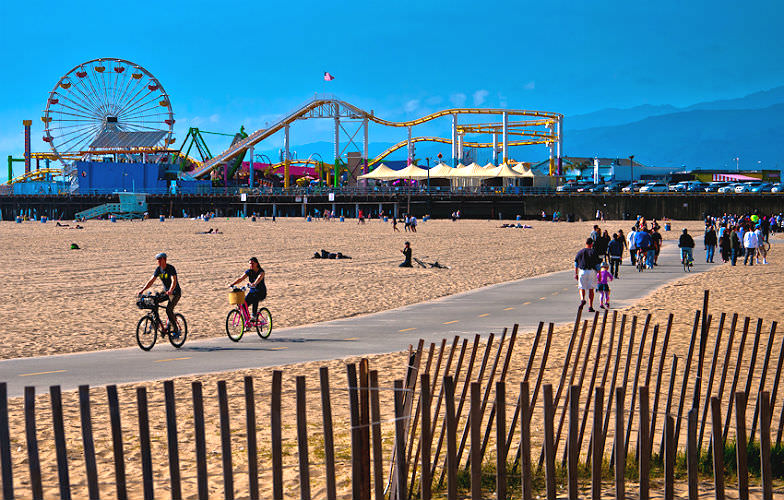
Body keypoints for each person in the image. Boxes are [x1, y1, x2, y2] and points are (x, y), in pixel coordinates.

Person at [138, 253, 182, 338]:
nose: (158, 261)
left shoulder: (171, 268)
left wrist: (171, 290)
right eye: (157, 260)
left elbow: (174, 281)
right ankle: (157, 323)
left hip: (175, 292)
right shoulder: (158, 269)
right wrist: (143, 290)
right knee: (155, 300)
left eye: (160, 260)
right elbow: (151, 281)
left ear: (164, 260)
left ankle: (176, 330)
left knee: (169, 310)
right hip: (166, 292)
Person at [574, 238, 601, 312]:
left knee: (582, 287)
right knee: (591, 289)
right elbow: (597, 265)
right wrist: (599, 274)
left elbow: (576, 263)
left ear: (586, 243)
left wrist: (576, 273)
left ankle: (582, 299)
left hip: (582, 271)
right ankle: (590, 306)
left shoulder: (580, 252)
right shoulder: (593, 252)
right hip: (591, 271)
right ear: (591, 244)